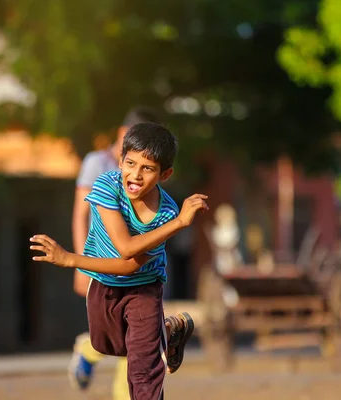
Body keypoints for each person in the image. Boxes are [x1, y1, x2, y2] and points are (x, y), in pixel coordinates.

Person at [30, 122, 209, 399]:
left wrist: (69, 260)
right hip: (104, 284)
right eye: (130, 163)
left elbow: (129, 260)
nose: (135, 175)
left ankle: (155, 337)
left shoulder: (167, 214)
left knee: (142, 368)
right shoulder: (106, 186)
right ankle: (169, 329)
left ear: (165, 174)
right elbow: (124, 247)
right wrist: (178, 223)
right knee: (107, 345)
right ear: (120, 160)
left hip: (144, 287)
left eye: (147, 168)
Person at [70, 107, 159, 398]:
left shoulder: (146, 167)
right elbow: (81, 213)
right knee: (117, 336)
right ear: (123, 134)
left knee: (139, 342)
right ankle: (88, 351)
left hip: (137, 264)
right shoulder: (98, 163)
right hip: (105, 262)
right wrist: (82, 266)